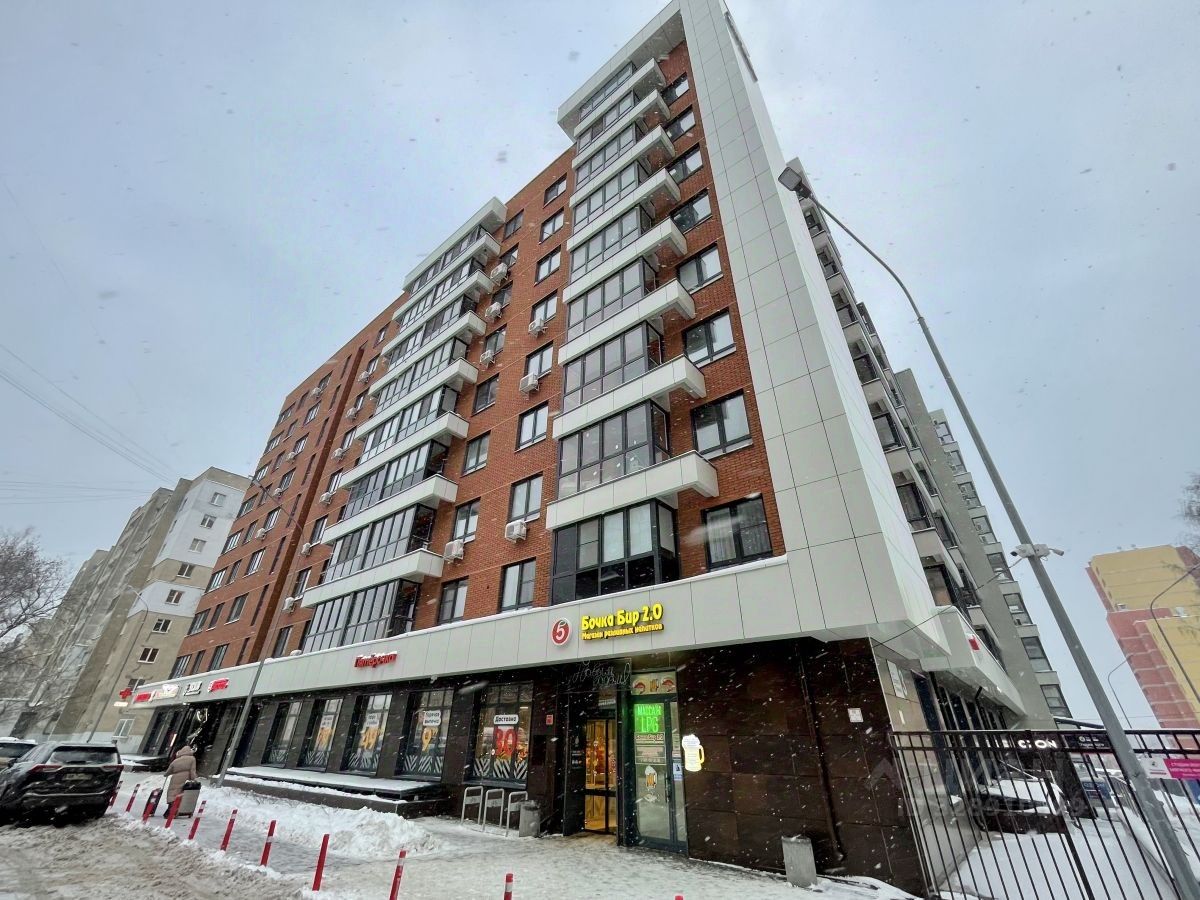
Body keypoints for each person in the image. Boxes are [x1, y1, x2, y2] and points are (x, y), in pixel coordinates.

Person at [163, 745, 197, 810]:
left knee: (172, 791)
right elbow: (192, 770)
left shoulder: (176, 760)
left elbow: (169, 770)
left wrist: (166, 774)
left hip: (175, 778)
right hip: (185, 777)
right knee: (181, 792)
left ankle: (170, 806)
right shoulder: (192, 759)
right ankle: (177, 808)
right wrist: (193, 778)